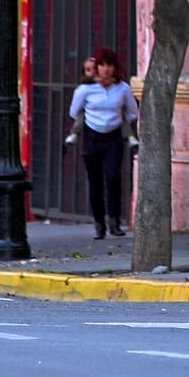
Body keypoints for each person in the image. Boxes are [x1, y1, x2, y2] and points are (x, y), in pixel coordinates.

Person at [73, 48, 139, 240]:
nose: (106, 69)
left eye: (109, 65)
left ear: (115, 67)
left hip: (113, 136)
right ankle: (99, 223)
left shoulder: (123, 88)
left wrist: (120, 121)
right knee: (95, 181)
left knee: (112, 177)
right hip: (92, 137)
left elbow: (132, 112)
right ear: (97, 68)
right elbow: (74, 111)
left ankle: (114, 221)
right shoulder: (86, 89)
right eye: (102, 65)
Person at [64, 56, 98, 147]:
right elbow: (74, 111)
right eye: (88, 70)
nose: (92, 71)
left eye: (94, 68)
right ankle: (74, 133)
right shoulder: (83, 89)